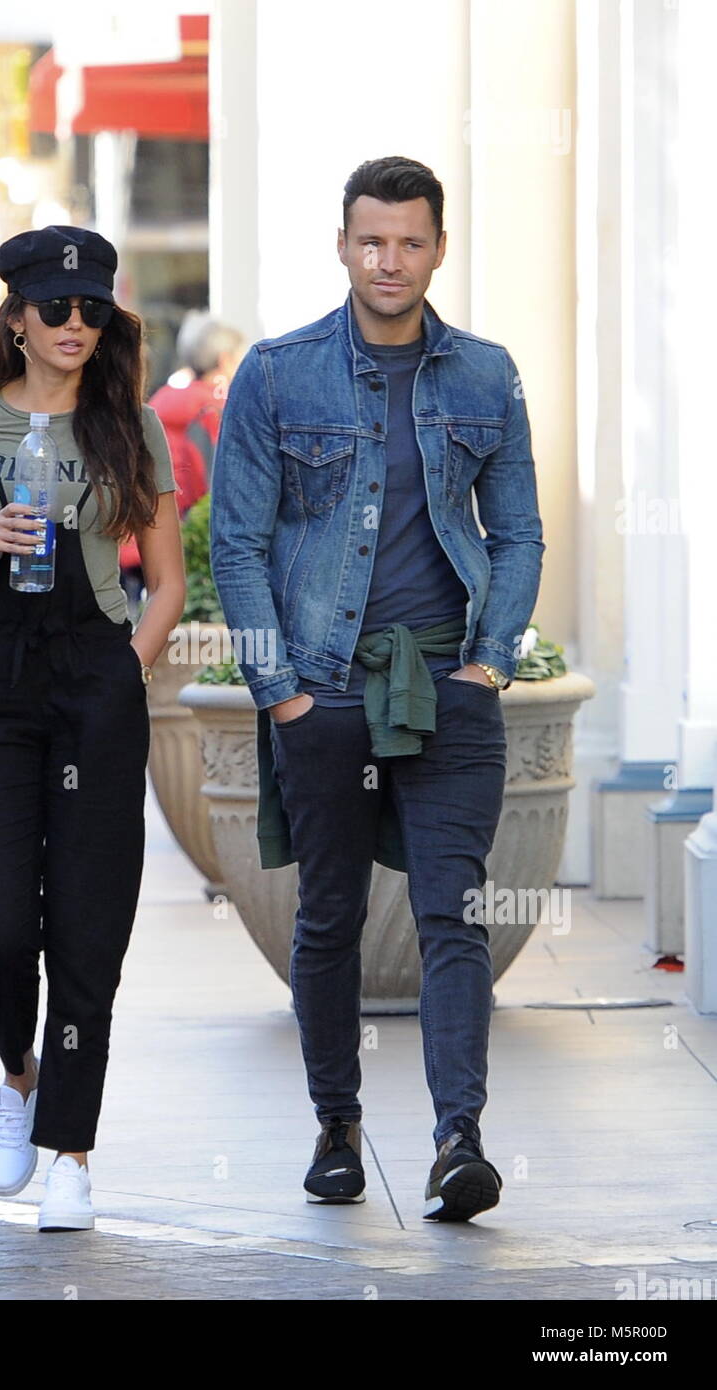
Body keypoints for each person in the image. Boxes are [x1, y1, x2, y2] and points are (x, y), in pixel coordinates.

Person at [209, 156, 544, 1222]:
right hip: (324, 685)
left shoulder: (487, 376)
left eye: (409, 240)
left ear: (438, 247)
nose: (388, 259)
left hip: (451, 685)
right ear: (343, 244)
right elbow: (237, 542)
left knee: (455, 914)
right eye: (371, 240)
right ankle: (337, 1125)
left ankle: (459, 1141)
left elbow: (521, 530)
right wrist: (279, 691)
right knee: (331, 918)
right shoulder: (276, 372)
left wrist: (491, 661)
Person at [0, 225, 185, 1232]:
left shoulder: (128, 424)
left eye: (92, 309)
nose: (75, 324)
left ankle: (72, 1151)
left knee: (87, 926)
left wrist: (126, 668)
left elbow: (168, 576)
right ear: (16, 317)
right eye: (56, 307)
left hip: (93, 684)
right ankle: (18, 1077)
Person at [118, 315, 244, 610]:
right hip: (181, 545)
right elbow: (217, 488)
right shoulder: (215, 409)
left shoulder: (162, 399)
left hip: (134, 539)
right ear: (225, 361)